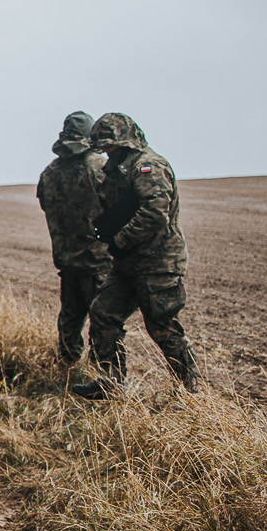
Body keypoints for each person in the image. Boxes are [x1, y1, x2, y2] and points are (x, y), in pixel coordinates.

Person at [73, 113, 200, 398]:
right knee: (103, 313)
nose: (104, 151)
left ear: (123, 142)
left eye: (109, 146)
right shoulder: (119, 167)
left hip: (158, 263)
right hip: (128, 262)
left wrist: (120, 239)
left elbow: (155, 213)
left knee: (162, 326)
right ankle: (111, 384)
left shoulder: (148, 165)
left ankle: (190, 394)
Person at [35, 112, 111, 367]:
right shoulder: (100, 167)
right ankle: (104, 376)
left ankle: (66, 369)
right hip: (98, 260)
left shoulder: (49, 173)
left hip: (66, 259)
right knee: (104, 319)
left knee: (70, 315)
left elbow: (48, 207)